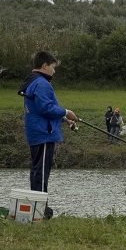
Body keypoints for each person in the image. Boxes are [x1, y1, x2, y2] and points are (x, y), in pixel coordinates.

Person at [18, 51, 77, 197]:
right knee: (42, 172)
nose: (54, 70)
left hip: (37, 133)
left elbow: (40, 109)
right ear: (45, 66)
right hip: (44, 133)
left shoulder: (33, 80)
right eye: (53, 67)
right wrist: (66, 112)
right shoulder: (42, 83)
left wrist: (64, 119)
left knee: (37, 170)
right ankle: (40, 208)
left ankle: (36, 205)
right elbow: (45, 108)